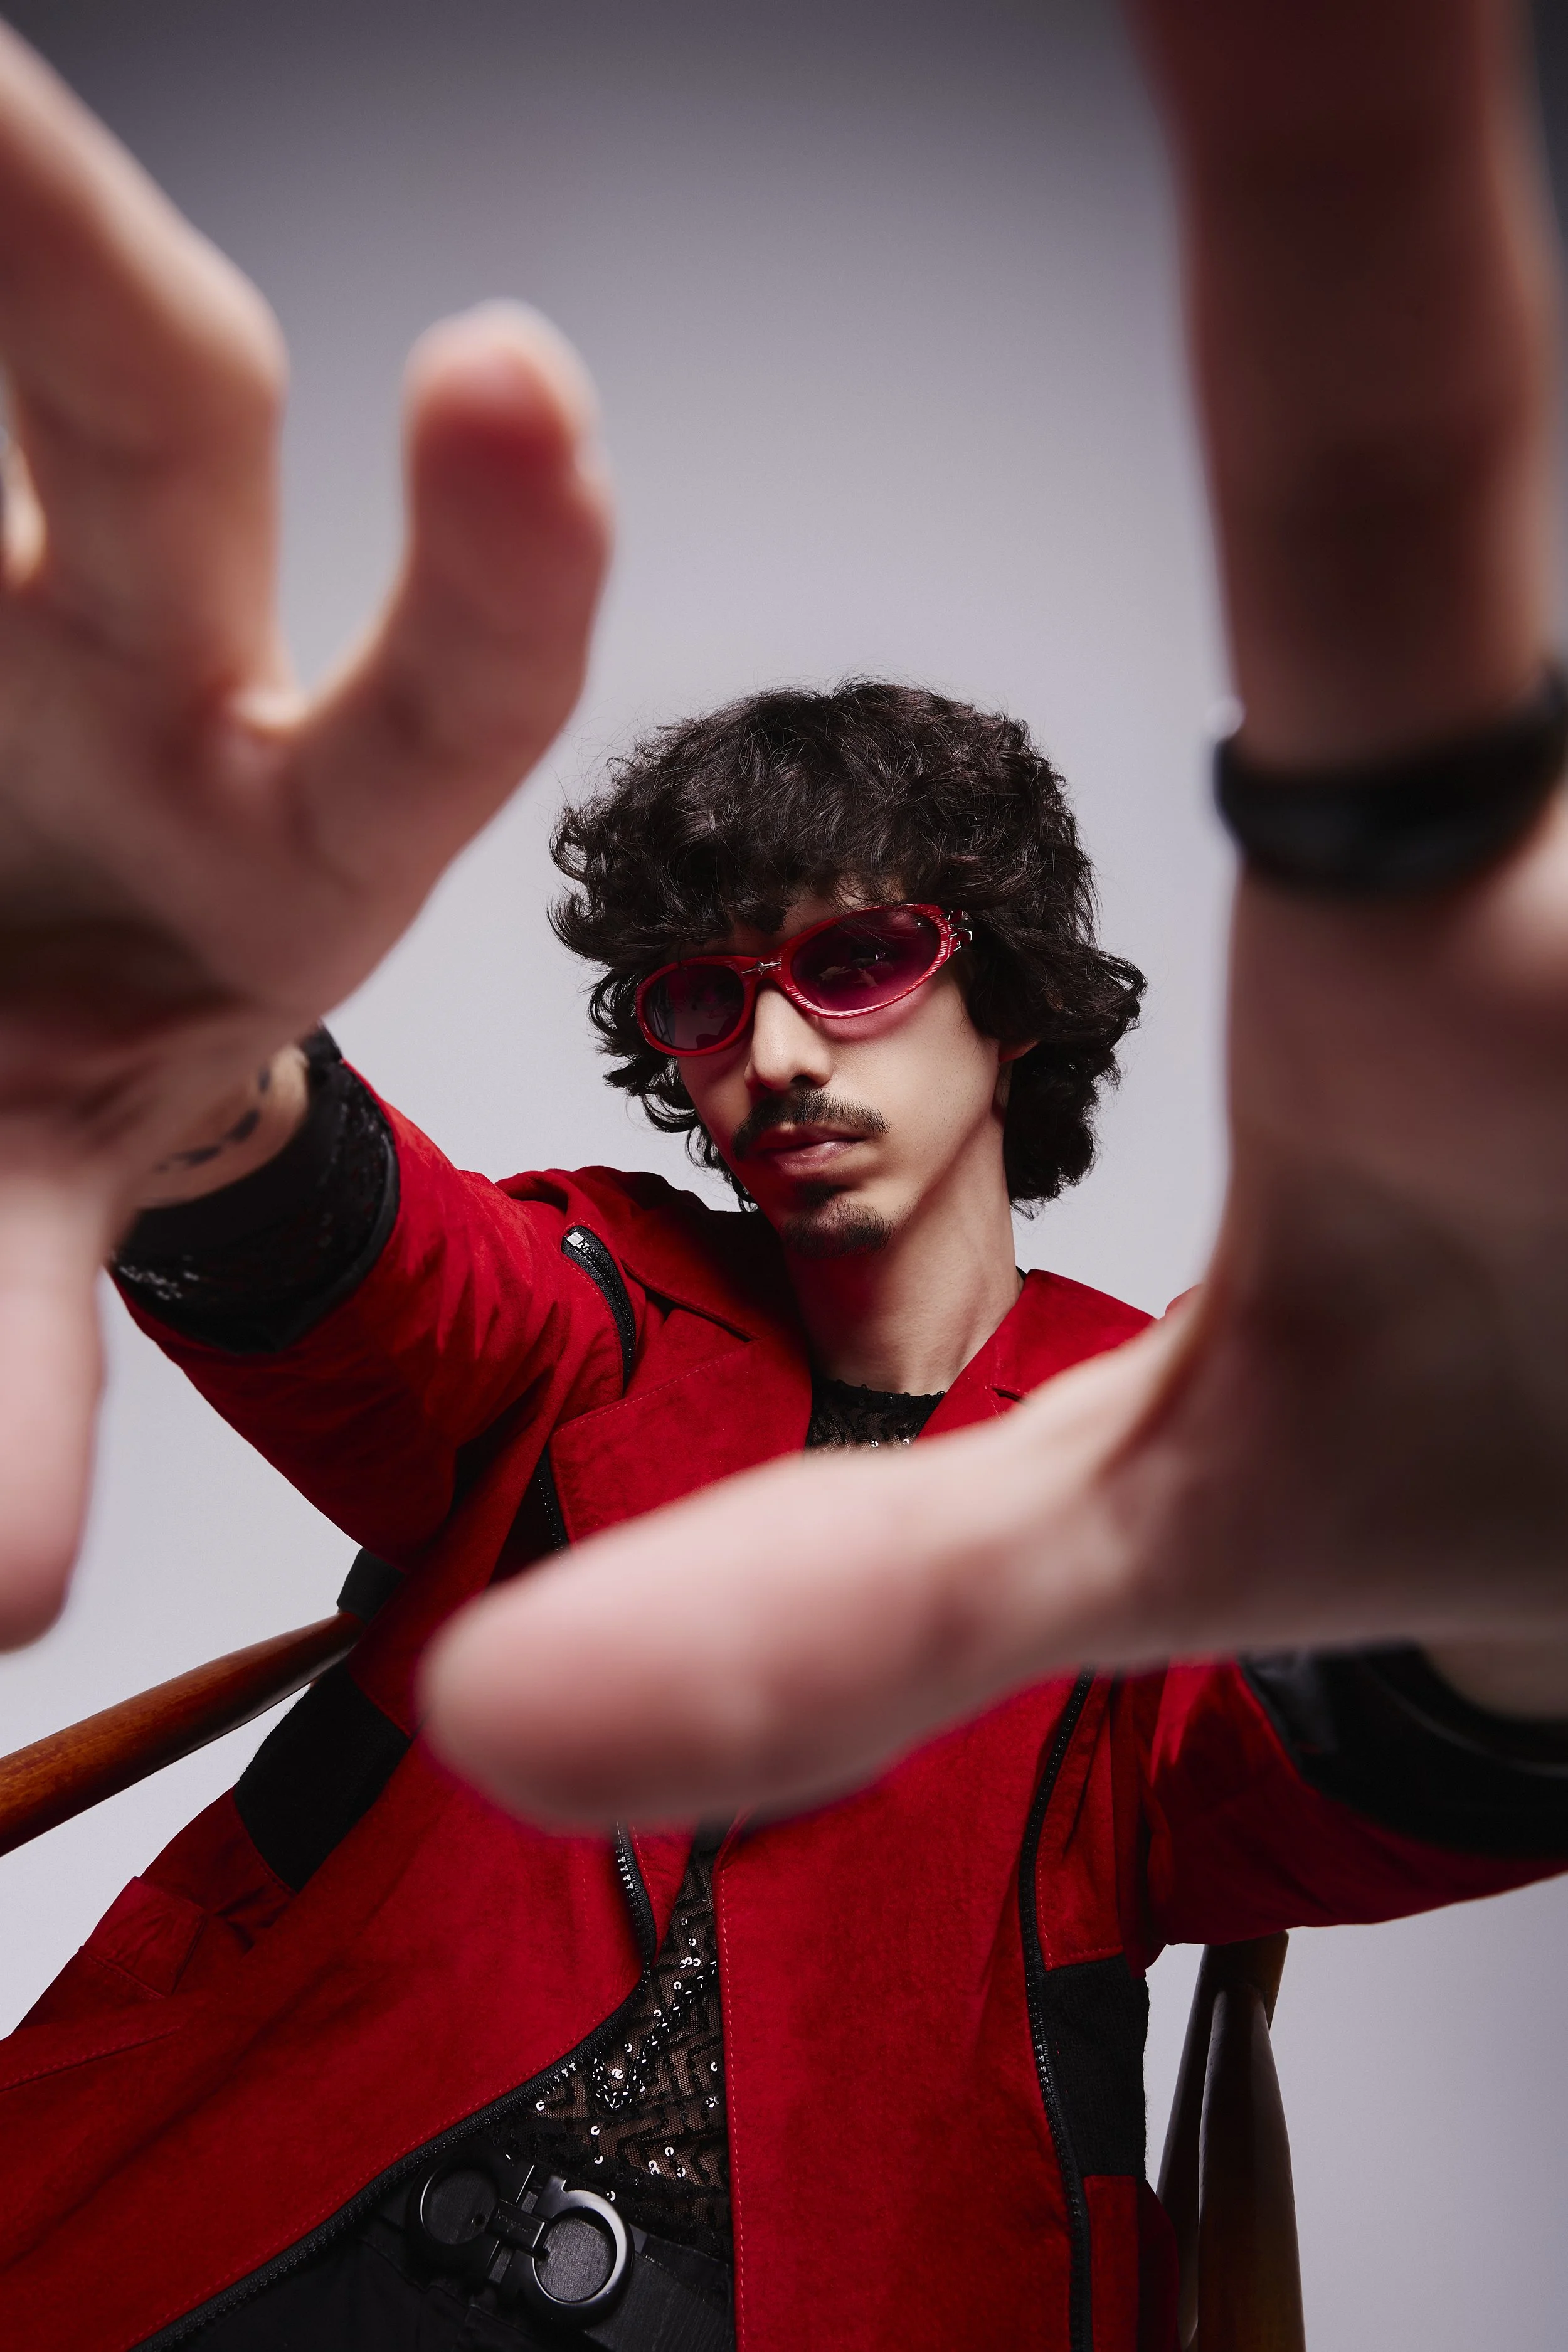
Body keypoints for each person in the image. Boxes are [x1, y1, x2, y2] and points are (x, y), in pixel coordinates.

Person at [0, 2, 1566, 2346]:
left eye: (848, 961)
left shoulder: (1168, 1447)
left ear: (1001, 992)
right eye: (697, 997)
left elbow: (1359, 1749)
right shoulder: (593, 1297)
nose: (768, 1049)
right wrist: (188, 1046)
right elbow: (368, 1267)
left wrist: (1529, 1543)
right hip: (265, 2234)